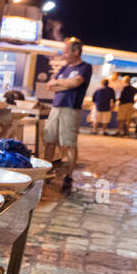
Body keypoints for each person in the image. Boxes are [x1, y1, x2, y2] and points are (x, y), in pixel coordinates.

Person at [44, 37, 93, 192]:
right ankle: (46, 172)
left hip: (71, 109)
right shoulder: (64, 68)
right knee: (49, 141)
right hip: (56, 107)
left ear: (76, 51)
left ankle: (69, 176)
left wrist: (59, 83)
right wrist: (65, 84)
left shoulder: (85, 67)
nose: (63, 54)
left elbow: (76, 83)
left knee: (69, 143)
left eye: (66, 51)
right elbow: (50, 86)